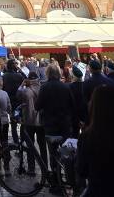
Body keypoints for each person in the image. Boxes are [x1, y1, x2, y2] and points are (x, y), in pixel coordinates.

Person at [36, 64, 73, 194]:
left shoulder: (44, 87)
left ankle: (57, 183)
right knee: (67, 153)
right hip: (65, 125)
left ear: (47, 73)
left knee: (53, 154)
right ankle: (70, 180)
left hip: (51, 125)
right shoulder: (65, 86)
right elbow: (71, 104)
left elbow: (37, 105)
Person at [16, 72, 46, 174]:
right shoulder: (42, 89)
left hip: (29, 121)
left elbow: (17, 95)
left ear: (28, 80)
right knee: (42, 146)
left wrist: (22, 84)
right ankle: (44, 167)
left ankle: (31, 168)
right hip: (41, 121)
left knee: (30, 145)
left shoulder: (25, 91)